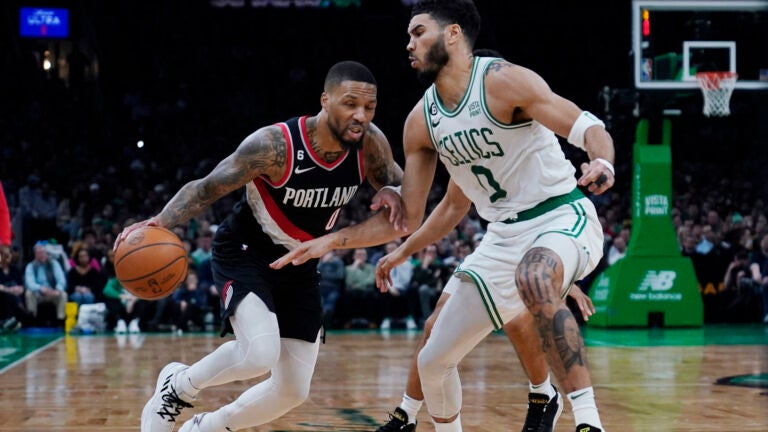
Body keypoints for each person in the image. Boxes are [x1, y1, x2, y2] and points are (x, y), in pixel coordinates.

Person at [273, 2, 615, 431]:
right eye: (409, 35)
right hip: (502, 238)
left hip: (560, 215)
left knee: (534, 275)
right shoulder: (422, 121)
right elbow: (421, 213)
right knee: (432, 358)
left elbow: (585, 126)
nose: (409, 43)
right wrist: (335, 241)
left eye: (418, 32)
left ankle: (588, 420)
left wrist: (603, 163)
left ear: (452, 34)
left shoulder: (502, 81)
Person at [116, 61, 404, 432]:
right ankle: (178, 386)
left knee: (292, 390)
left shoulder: (370, 146)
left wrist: (395, 192)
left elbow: (404, 200)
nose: (360, 116)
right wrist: (159, 221)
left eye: (369, 107)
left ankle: (207, 428)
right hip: (246, 251)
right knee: (259, 352)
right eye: (350, 104)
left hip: (301, 263)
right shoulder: (275, 145)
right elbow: (207, 187)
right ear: (325, 101)